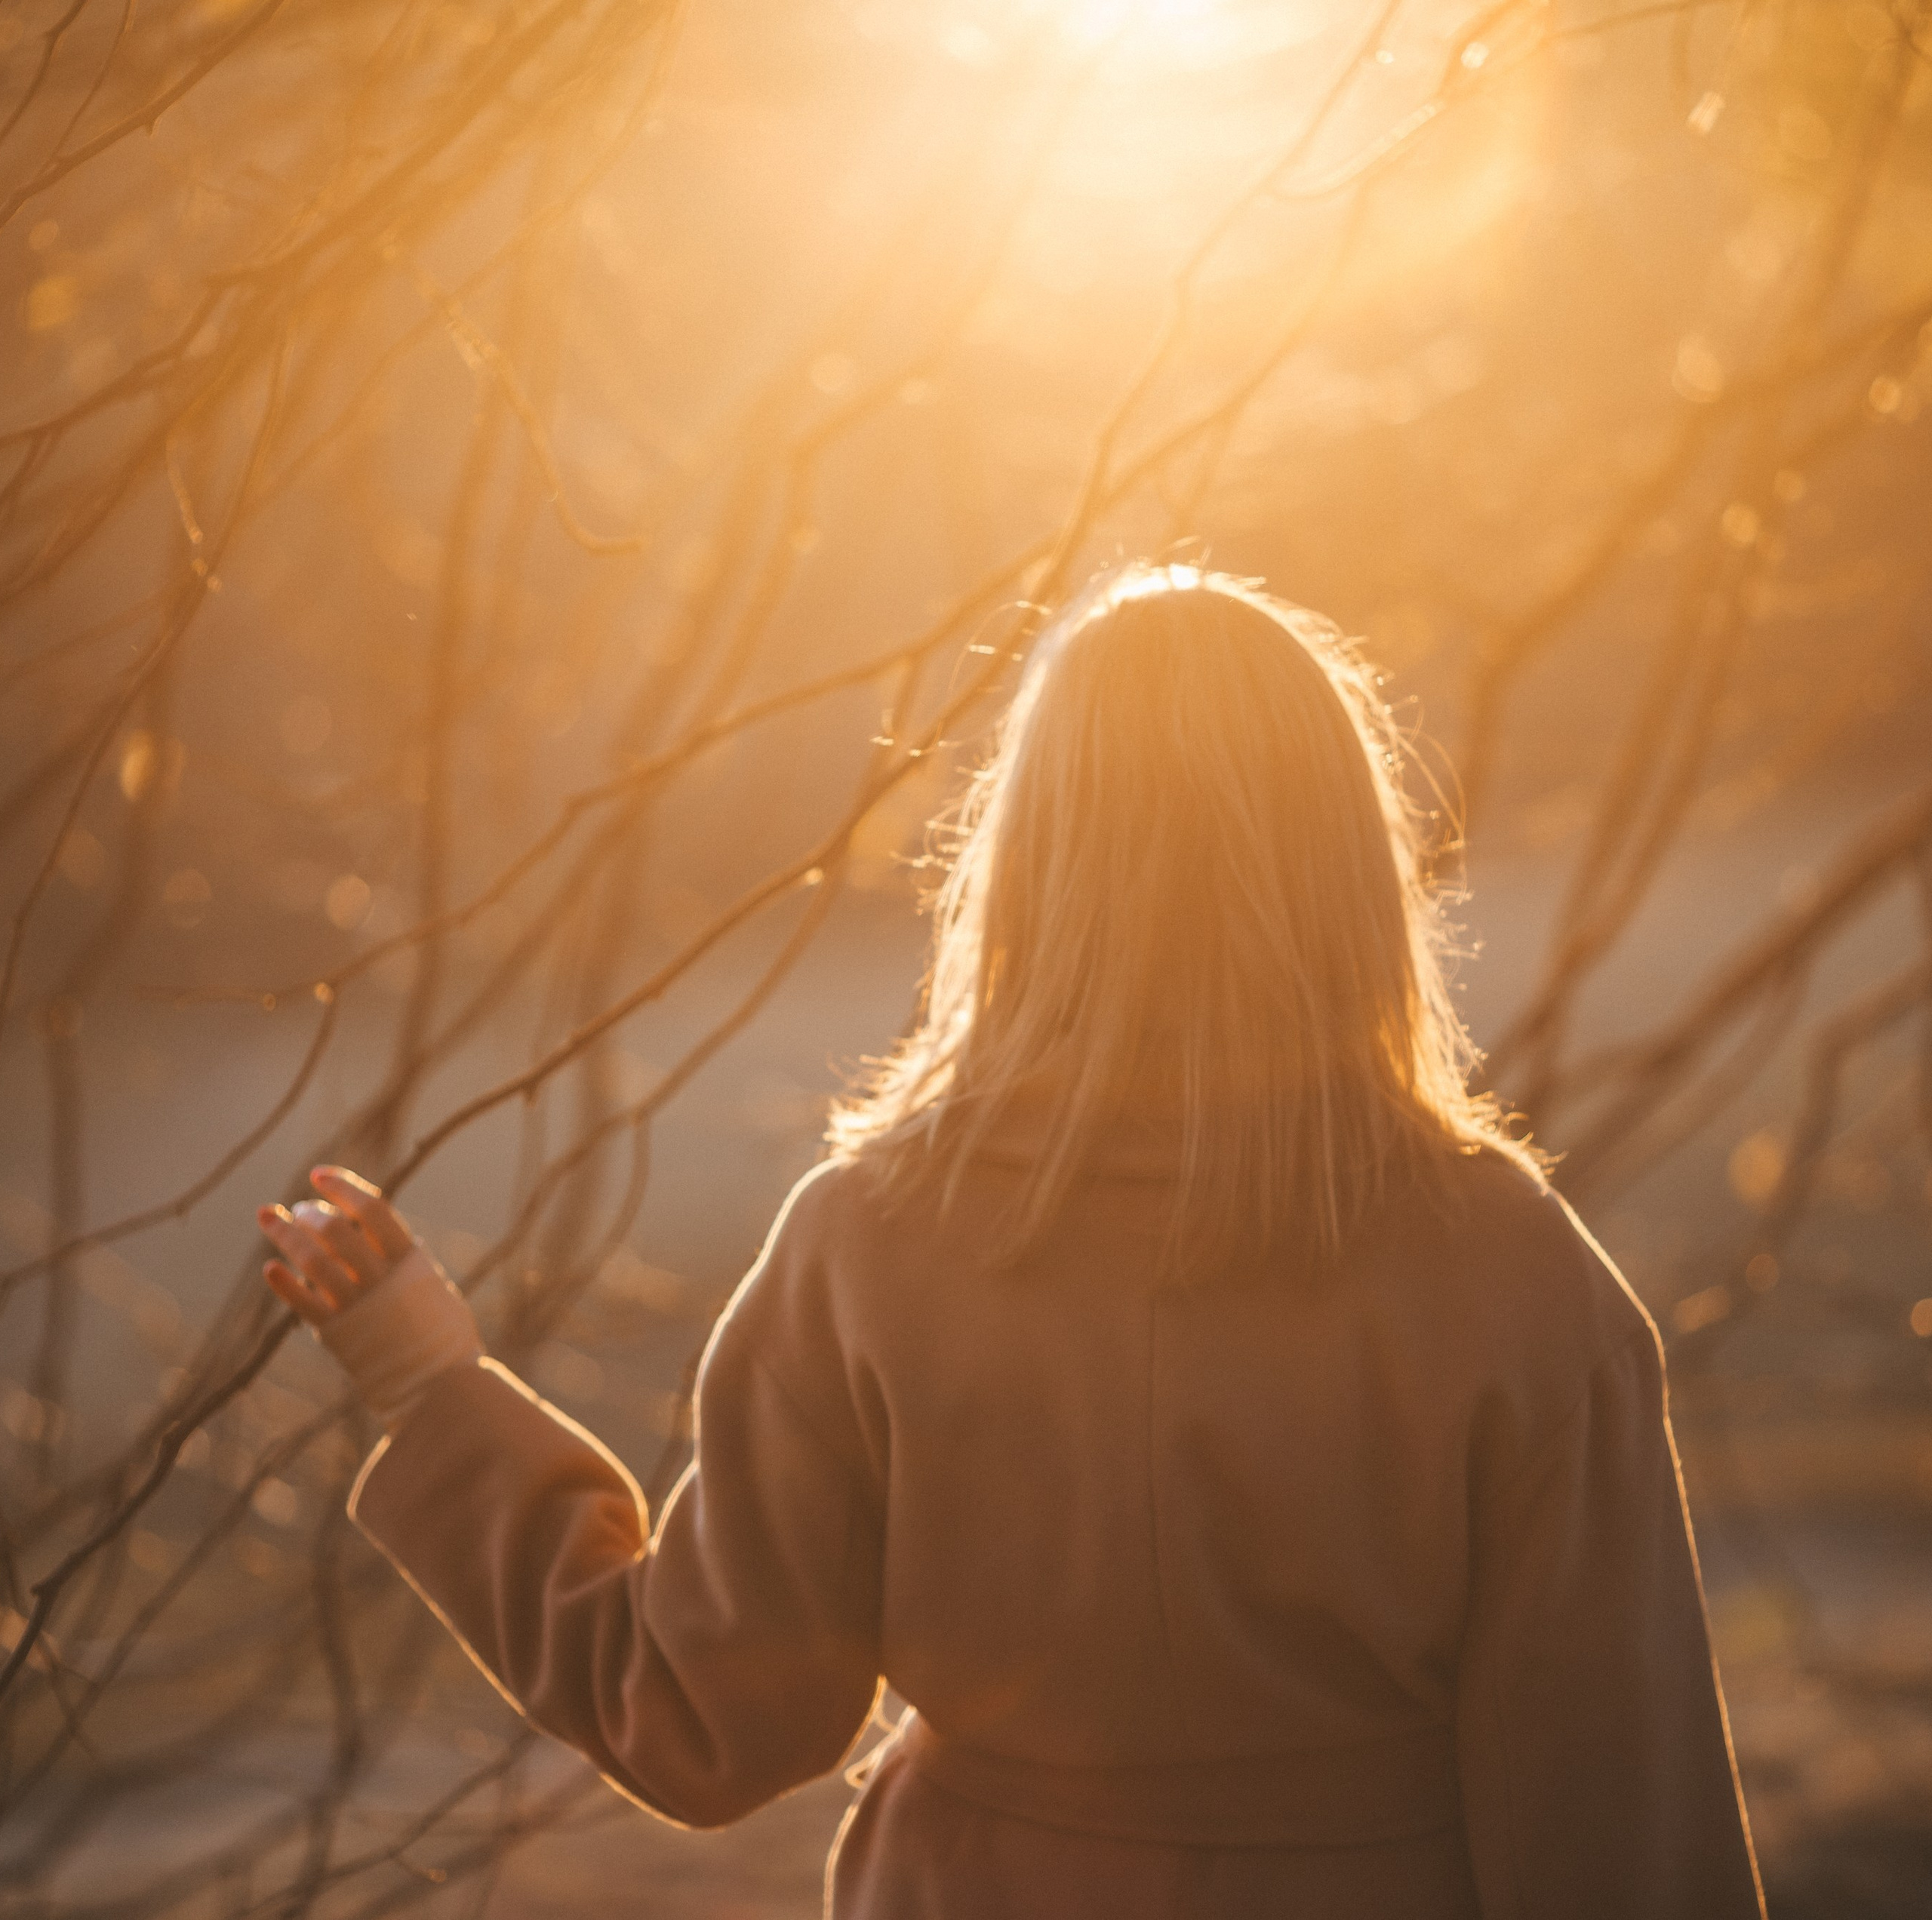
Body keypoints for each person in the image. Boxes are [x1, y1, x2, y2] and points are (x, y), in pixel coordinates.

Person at [258, 566, 1765, 1919]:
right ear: (1347, 871)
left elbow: (697, 1712)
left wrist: (429, 1379)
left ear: (1026, 864)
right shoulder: (1509, 1272)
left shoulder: (871, 1242)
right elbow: (1612, 1820)